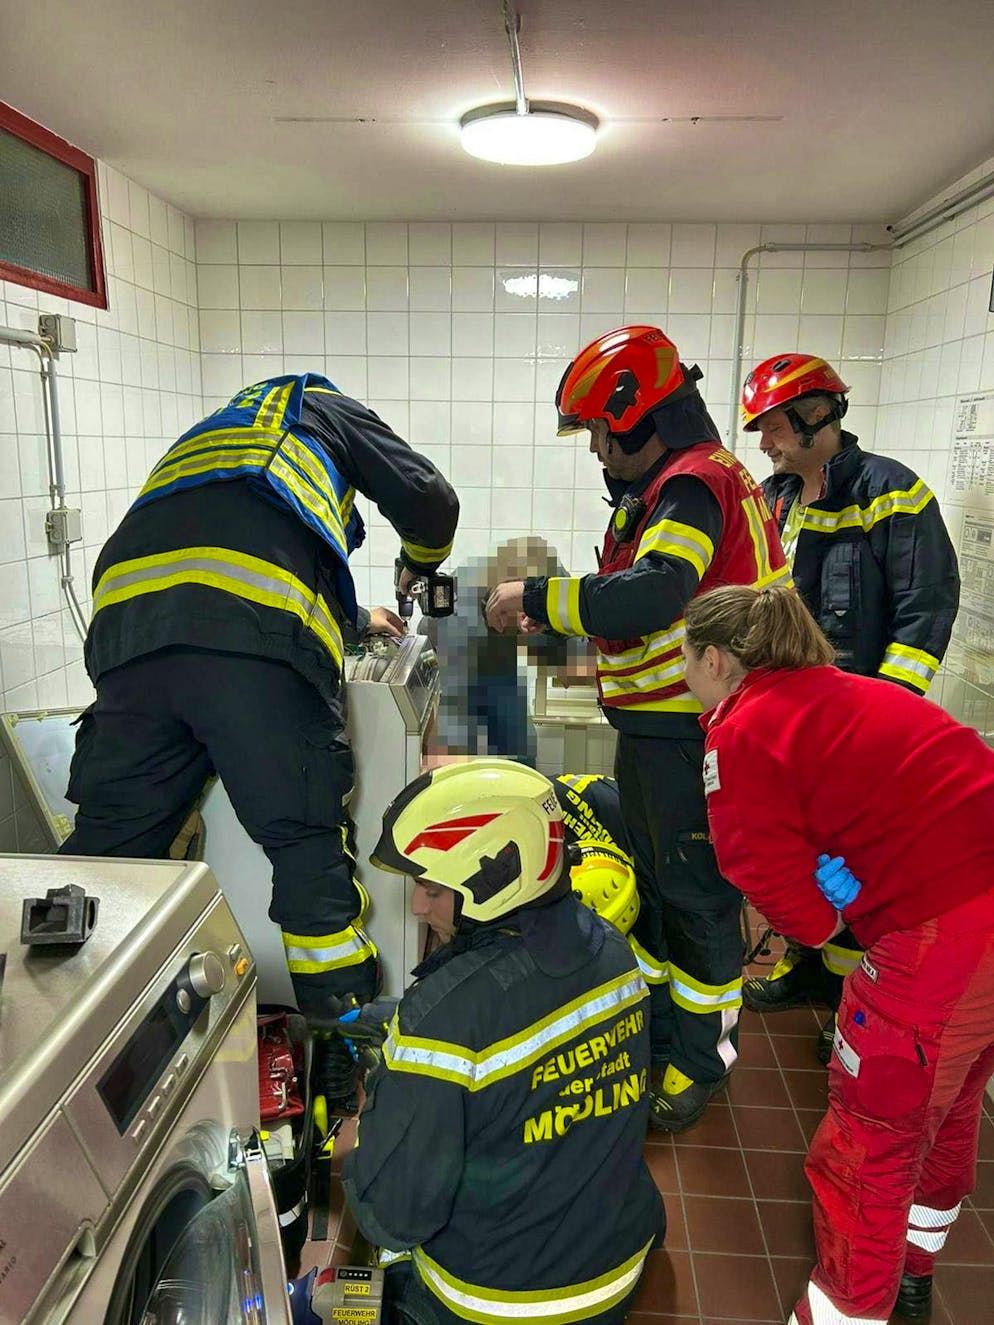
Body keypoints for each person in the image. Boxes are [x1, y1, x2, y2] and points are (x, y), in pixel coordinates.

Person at [60, 372, 458, 1105]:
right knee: (304, 847)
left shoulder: (214, 440)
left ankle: (66, 1046)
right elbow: (432, 500)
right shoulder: (317, 405)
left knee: (111, 855)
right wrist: (422, 564)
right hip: (246, 641)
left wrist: (347, 618)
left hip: (126, 624)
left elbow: (216, 575)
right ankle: (341, 1049)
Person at [485, 325, 789, 1131]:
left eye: (595, 429)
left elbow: (657, 591)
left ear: (636, 413)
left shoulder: (692, 486)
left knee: (695, 901)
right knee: (661, 893)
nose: (593, 448)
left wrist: (537, 596)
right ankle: (666, 1035)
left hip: (697, 738)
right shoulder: (688, 485)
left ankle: (700, 1061)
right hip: (666, 733)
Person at [681, 583, 994, 1325]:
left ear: (717, 659)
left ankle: (849, 1311)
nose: (681, 670)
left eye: (685, 657)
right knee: (946, 1113)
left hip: (946, 934)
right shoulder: (836, 689)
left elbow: (765, 876)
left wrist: (831, 929)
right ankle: (913, 1276)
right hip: (973, 902)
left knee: (868, 1142)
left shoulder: (742, 730)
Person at [339, 759, 665, 1325]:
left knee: (345, 1293)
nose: (418, 905)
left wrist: (354, 1149)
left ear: (494, 880)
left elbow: (397, 1215)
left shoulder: (440, 1021)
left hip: (496, 1302)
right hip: (616, 1264)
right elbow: (527, 1015)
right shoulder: (613, 951)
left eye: (431, 887)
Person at [738, 353, 961, 1060]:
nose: (764, 441)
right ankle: (809, 965)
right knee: (807, 853)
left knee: (861, 865)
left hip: (859, 728)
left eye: (771, 424)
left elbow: (926, 607)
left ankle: (853, 998)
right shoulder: (774, 498)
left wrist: (884, 719)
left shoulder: (891, 491)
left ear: (814, 414)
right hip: (790, 720)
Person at [420, 536, 574, 766]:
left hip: (501, 665)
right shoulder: (459, 606)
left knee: (520, 749)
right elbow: (455, 714)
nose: (504, 623)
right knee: (456, 751)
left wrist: (559, 643)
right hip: (458, 655)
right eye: (499, 617)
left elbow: (574, 622)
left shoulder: (550, 577)